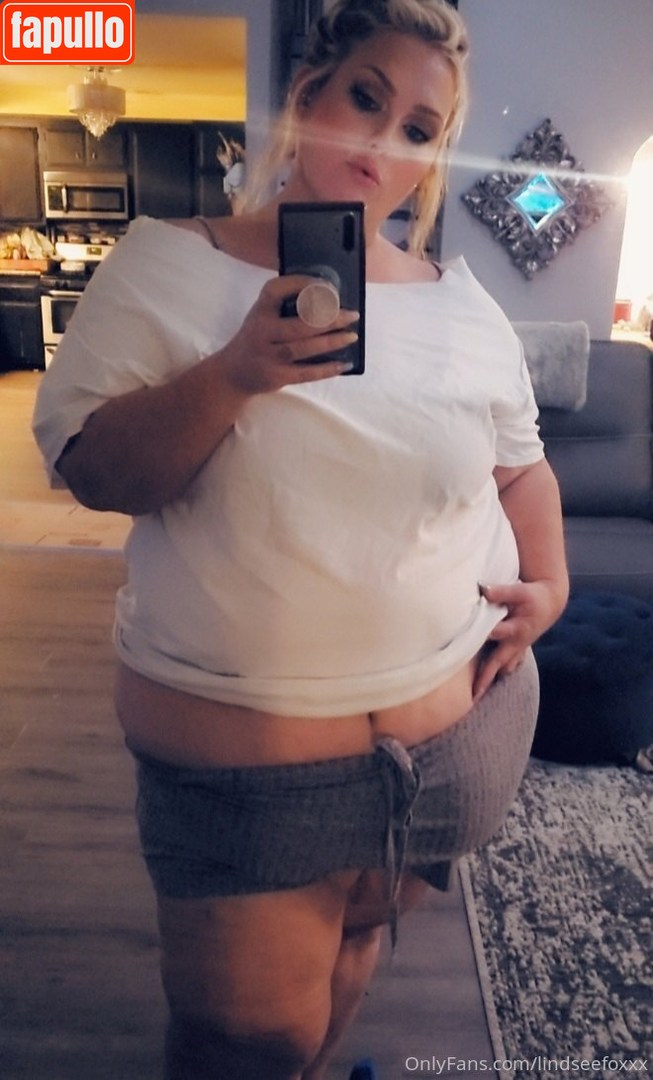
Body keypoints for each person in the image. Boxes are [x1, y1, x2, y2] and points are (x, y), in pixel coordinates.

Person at [32, 2, 569, 1078]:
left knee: (357, 955)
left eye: (418, 128)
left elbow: (520, 467)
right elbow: (92, 473)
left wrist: (549, 585)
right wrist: (236, 373)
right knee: (246, 1043)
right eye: (364, 98)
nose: (383, 141)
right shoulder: (168, 264)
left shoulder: (464, 308)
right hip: (248, 791)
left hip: (452, 749)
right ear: (307, 96)